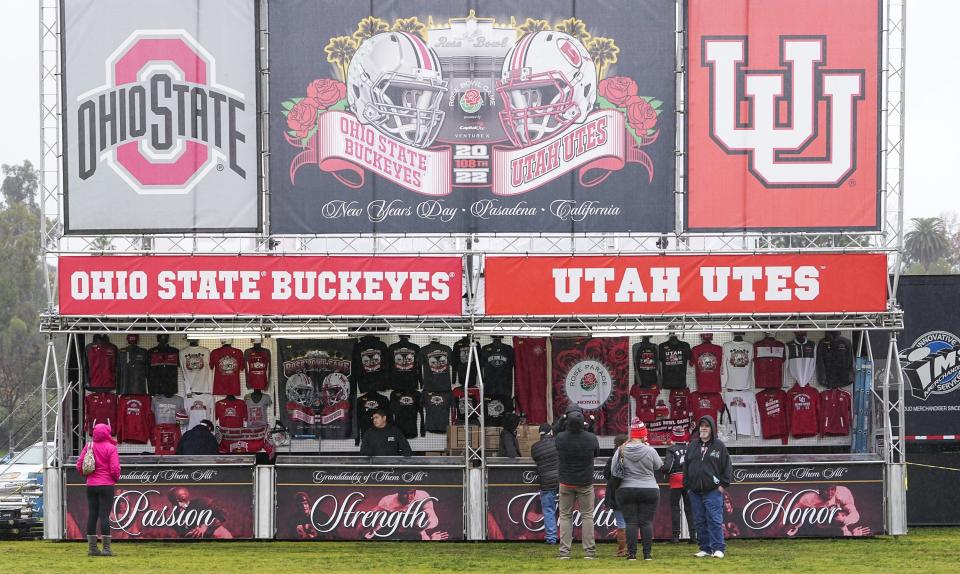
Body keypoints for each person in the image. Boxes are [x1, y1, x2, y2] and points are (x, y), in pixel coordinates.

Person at [612, 419, 663, 561]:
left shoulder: (620, 450)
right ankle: (647, 554)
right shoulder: (650, 450)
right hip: (649, 489)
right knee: (646, 522)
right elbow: (659, 465)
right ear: (643, 435)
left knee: (631, 523)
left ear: (631, 434)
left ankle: (632, 554)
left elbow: (614, 472)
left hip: (626, 489)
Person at [684, 415, 733, 559]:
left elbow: (728, 466)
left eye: (707, 426)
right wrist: (687, 486)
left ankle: (718, 548)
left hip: (713, 491)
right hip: (694, 492)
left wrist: (723, 485)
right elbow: (686, 466)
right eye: (702, 426)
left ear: (712, 429)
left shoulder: (719, 445)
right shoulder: (692, 445)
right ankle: (705, 548)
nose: (704, 428)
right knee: (699, 521)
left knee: (714, 520)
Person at [554, 410, 599, 560]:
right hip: (585, 482)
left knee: (565, 517)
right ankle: (589, 552)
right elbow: (596, 454)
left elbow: (555, 432)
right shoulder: (591, 438)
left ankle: (564, 552)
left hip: (566, 482)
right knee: (587, 516)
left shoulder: (560, 438)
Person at [76, 422, 120, 556]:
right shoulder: (111, 448)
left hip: (91, 485)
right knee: (104, 516)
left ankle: (92, 548)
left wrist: (87, 475)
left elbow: (79, 465)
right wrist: (115, 478)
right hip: (106, 485)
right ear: (107, 433)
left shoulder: (88, 446)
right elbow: (114, 468)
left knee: (92, 515)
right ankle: (106, 549)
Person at [662, 426, 696, 544]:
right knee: (689, 508)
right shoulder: (690, 448)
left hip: (676, 480)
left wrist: (663, 470)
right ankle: (693, 536)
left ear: (673, 435)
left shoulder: (671, 449)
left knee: (675, 508)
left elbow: (668, 467)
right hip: (689, 480)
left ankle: (676, 537)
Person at [531, 423, 559, 544]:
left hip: (545, 482)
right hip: (561, 480)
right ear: (551, 432)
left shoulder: (535, 447)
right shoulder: (558, 443)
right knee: (566, 511)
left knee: (548, 510)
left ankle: (551, 538)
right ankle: (567, 537)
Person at [603, 434, 628, 556]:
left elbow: (606, 475)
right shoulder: (632, 457)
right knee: (632, 522)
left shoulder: (612, 458)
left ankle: (622, 550)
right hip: (629, 491)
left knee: (621, 523)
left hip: (616, 493)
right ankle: (630, 549)